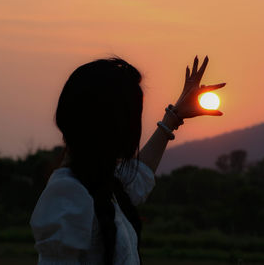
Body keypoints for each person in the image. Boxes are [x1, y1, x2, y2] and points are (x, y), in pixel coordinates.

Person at [30, 55, 226, 265]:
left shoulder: (103, 186)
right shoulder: (68, 193)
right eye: (132, 115)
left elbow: (137, 177)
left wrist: (175, 116)